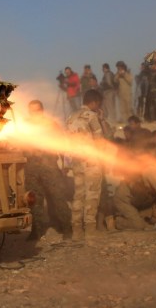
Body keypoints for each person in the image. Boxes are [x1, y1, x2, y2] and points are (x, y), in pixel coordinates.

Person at [65, 89, 112, 240]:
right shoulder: (92, 116)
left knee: (78, 195)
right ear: (95, 102)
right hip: (91, 161)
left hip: (77, 161)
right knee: (92, 195)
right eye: (99, 104)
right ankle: (90, 231)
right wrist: (102, 119)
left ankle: (76, 231)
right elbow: (101, 140)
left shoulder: (70, 117)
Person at [23, 100, 72, 240]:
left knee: (57, 197)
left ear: (42, 110)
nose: (34, 113)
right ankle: (37, 230)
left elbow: (63, 144)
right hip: (31, 167)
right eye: (32, 111)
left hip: (49, 166)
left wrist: (66, 164)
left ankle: (66, 227)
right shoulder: (24, 125)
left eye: (37, 110)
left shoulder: (51, 125)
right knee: (34, 200)